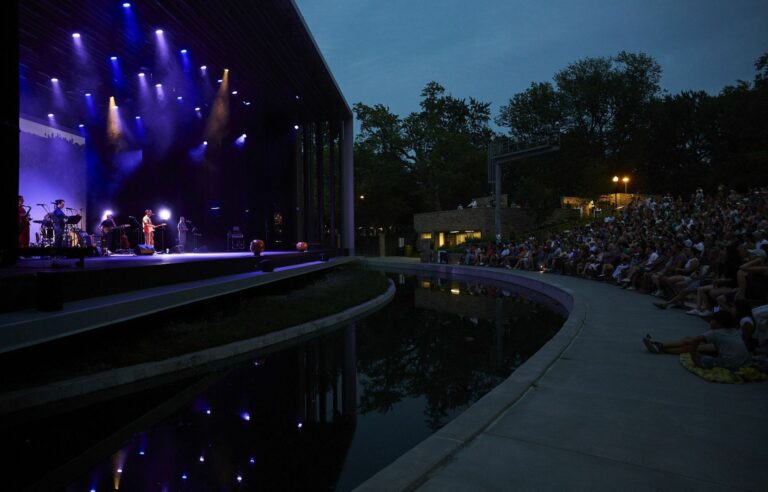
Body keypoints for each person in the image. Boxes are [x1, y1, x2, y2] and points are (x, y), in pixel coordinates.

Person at [643, 311, 752, 370]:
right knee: (687, 339)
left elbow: (697, 340)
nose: (710, 322)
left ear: (718, 323)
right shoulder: (734, 330)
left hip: (728, 362)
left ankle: (661, 349)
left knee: (690, 346)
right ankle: (660, 345)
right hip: (738, 358)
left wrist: (694, 356)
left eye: (712, 320)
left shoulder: (716, 333)